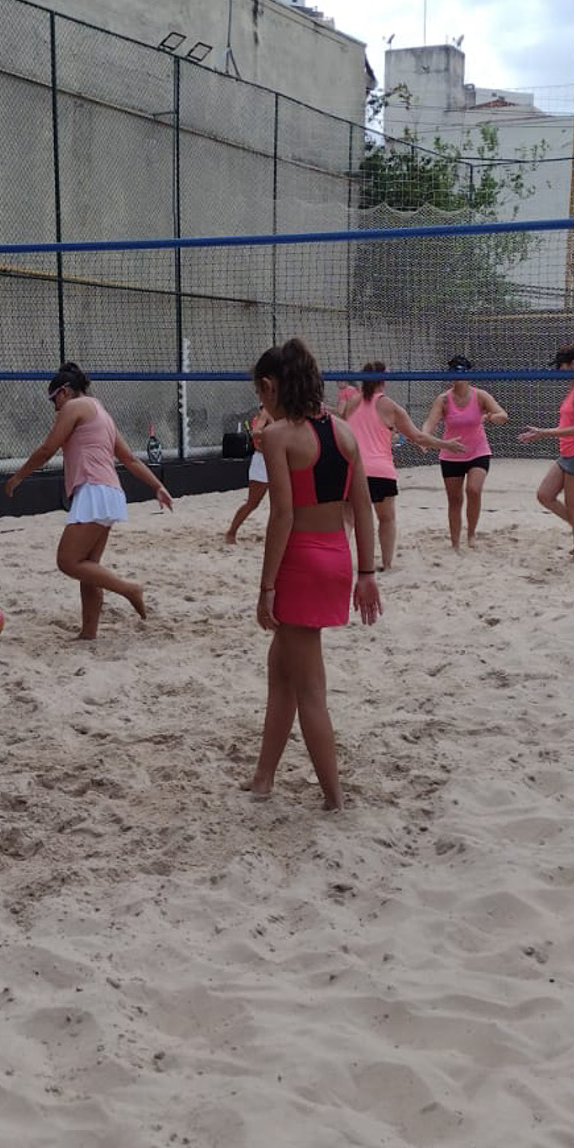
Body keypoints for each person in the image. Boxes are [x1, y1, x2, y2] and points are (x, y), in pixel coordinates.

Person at [247, 338, 382, 810]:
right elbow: (362, 508)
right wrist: (367, 572)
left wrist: (266, 586)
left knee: (310, 690)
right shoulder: (344, 432)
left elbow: (282, 515)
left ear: (270, 386)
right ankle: (263, 778)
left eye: (259, 393)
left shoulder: (278, 436)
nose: (260, 402)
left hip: (300, 563)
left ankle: (334, 798)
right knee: (281, 671)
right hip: (337, 559)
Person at [5, 363, 173, 639]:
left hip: (94, 490)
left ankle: (130, 589)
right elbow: (129, 459)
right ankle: (88, 633)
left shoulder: (74, 407)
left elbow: (47, 449)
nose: (55, 408)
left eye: (53, 400)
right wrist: (158, 486)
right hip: (108, 491)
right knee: (88, 567)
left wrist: (17, 477)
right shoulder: (101, 412)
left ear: (64, 391)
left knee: (67, 561)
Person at [337, 361, 463, 571]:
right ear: (383, 380)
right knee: (386, 519)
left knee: (348, 519)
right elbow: (418, 437)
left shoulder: (352, 402)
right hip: (380, 470)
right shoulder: (389, 405)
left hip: (352, 469)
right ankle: (386, 564)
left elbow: (340, 430)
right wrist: (446, 444)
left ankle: (339, 562)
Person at [518, 342, 574, 563]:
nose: (558, 370)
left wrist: (544, 432)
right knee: (544, 495)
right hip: (569, 453)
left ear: (573, 364)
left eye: (561, 365)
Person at [421, 355, 508, 550]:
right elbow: (430, 422)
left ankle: (471, 535)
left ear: (468, 374)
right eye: (453, 372)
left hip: (478, 451)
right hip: (451, 453)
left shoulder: (480, 396)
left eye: (460, 371)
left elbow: (503, 415)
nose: (456, 376)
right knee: (455, 500)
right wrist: (424, 437)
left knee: (473, 490)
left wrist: (492, 417)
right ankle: (454, 542)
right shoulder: (443, 399)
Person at [224, 406, 272, 544]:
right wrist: (275, 436)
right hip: (262, 461)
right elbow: (256, 433)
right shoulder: (267, 412)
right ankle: (231, 532)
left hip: (276, 459)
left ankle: (275, 534)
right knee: (253, 502)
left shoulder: (285, 410)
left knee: (280, 503)